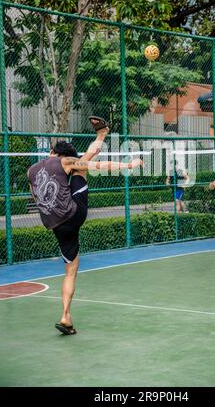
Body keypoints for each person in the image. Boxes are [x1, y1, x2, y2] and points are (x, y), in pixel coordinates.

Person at [27, 117, 143, 335]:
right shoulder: (66, 162)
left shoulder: (31, 170)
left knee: (69, 272)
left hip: (56, 226)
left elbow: (36, 198)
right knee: (82, 169)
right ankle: (102, 135)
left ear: (51, 152)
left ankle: (65, 315)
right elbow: (98, 165)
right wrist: (129, 164)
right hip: (74, 214)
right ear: (64, 156)